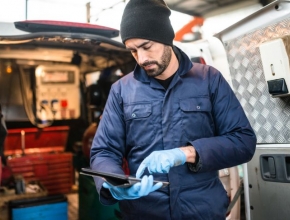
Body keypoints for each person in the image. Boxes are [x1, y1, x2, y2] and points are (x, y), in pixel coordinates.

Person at [90, 0, 257, 219]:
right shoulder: (122, 90)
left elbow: (242, 141)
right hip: (144, 212)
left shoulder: (209, 80)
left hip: (201, 211)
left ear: (166, 38)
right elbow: (104, 151)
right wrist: (114, 183)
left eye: (147, 47)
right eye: (133, 51)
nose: (141, 58)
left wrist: (186, 153)